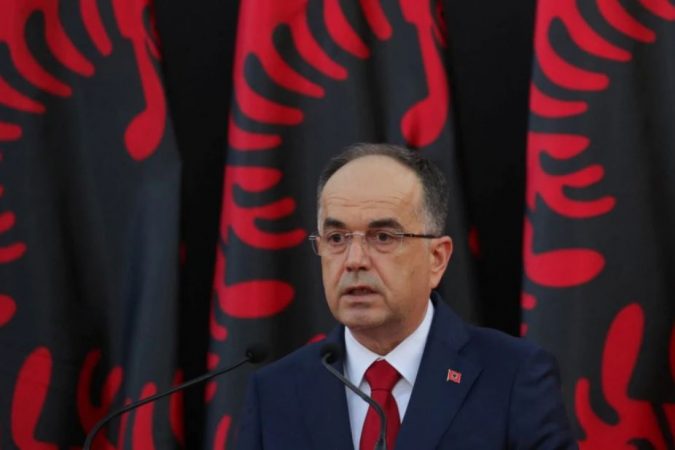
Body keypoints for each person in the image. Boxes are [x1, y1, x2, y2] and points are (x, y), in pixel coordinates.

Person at [234, 143, 577, 449]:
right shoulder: (275, 391)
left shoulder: (513, 376)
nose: (354, 261)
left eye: (383, 237)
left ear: (436, 258)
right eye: (337, 238)